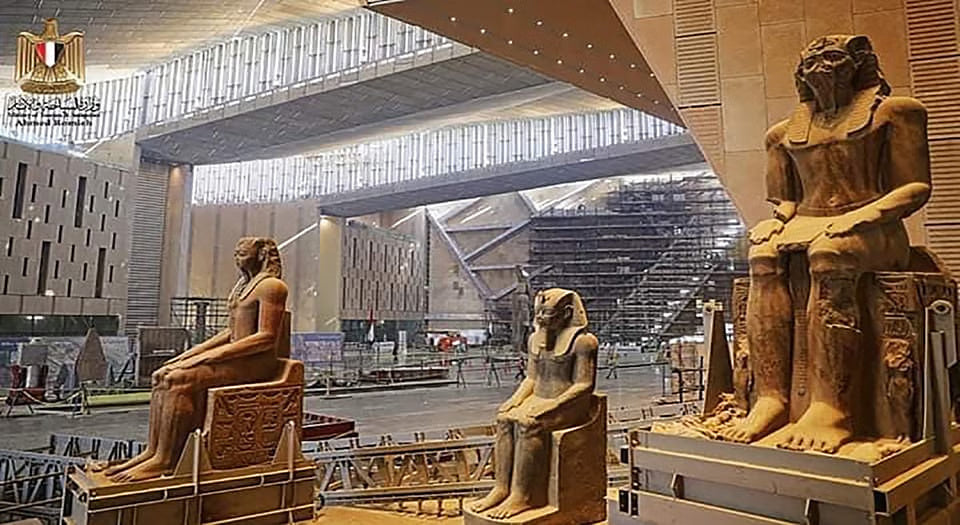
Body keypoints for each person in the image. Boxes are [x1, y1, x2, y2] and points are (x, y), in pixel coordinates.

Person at [105, 237, 288, 481]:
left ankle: (166, 460)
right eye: (235, 254)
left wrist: (207, 357)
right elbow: (231, 333)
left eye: (242, 254)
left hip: (256, 363)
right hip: (238, 356)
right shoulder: (243, 286)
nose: (237, 259)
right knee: (162, 375)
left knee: (178, 380)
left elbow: (266, 337)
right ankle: (154, 451)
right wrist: (189, 355)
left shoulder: (272, 286)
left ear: (261, 255)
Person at [470, 289, 598, 519]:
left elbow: (584, 385)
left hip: (569, 404)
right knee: (504, 419)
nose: (539, 318)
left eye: (546, 313)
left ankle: (523, 496)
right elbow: (531, 378)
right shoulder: (534, 339)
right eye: (538, 312)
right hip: (539, 398)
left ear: (567, 313)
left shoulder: (583, 342)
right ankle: (501, 488)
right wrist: (514, 400)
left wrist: (550, 405)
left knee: (529, 425)